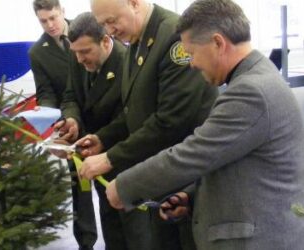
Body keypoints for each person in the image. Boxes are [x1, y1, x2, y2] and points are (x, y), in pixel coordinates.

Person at [105, 0, 304, 249]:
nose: (191, 63)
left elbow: (192, 155)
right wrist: (190, 196)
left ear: (218, 43)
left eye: (192, 52)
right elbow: (237, 163)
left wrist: (124, 187)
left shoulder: (250, 93)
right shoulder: (257, 78)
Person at [69, 0, 218, 249]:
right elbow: (136, 111)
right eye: (103, 23)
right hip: (160, 177)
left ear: (134, 3)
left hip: (187, 180)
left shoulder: (174, 37)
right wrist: (103, 139)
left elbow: (171, 120)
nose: (108, 30)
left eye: (112, 21)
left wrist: (111, 158)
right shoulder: (136, 41)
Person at [28, 1, 97, 249]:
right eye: (43, 21)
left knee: (113, 180)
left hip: (101, 119)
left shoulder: (87, 29)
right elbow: (46, 91)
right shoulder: (38, 53)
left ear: (63, 12)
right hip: (70, 127)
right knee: (81, 188)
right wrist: (45, 114)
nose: (50, 25)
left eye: (53, 18)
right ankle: (86, 242)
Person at [57, 12, 127, 250]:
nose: (79, 59)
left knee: (133, 233)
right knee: (110, 229)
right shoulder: (78, 56)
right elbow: (70, 96)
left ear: (106, 41)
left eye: (85, 52)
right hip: (93, 158)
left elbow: (130, 117)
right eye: (75, 52)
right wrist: (72, 120)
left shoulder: (126, 63)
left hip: (122, 160)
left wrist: (101, 139)